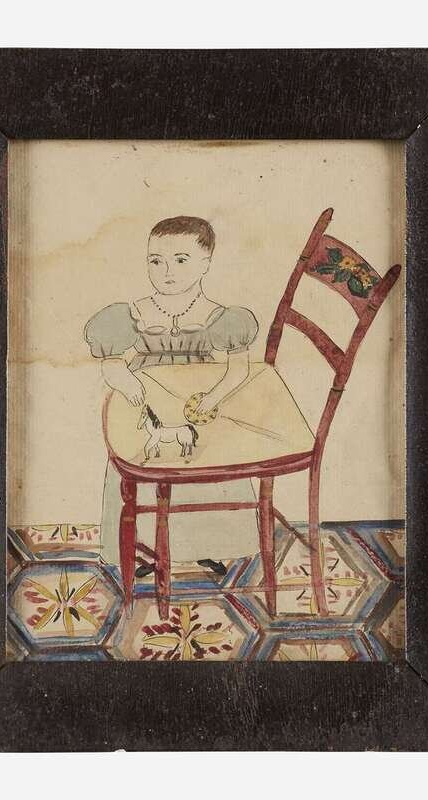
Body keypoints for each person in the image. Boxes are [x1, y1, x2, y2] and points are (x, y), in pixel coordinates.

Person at [84, 216, 260, 577]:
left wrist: (212, 398)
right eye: (156, 260)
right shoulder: (134, 313)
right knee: (144, 465)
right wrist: (127, 383)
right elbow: (111, 365)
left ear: (205, 263)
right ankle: (148, 550)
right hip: (148, 403)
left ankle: (206, 547)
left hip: (198, 405)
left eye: (181, 260)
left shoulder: (221, 317)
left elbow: (238, 370)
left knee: (206, 469)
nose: (167, 271)